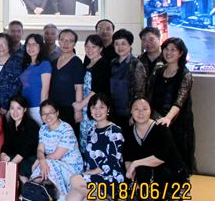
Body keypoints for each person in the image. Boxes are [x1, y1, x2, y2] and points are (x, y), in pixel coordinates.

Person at [65, 93, 125, 201]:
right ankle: (105, 198)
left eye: (101, 107)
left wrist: (90, 173)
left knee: (74, 180)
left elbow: (112, 161)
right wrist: (87, 174)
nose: (97, 111)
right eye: (94, 107)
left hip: (110, 177)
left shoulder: (115, 130)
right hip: (94, 177)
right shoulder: (91, 130)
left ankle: (103, 200)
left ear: (108, 109)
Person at [123, 98, 189, 201]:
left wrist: (135, 164)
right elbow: (127, 157)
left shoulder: (161, 129)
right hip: (146, 173)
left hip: (168, 171)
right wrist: (134, 177)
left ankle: (172, 195)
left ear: (151, 111)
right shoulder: (128, 132)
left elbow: (161, 157)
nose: (140, 113)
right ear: (131, 111)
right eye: (136, 109)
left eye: (145, 109)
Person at [147, 37, 195, 174]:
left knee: (177, 157)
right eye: (166, 49)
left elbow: (179, 101)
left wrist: (168, 118)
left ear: (181, 53)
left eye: (173, 50)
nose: (168, 53)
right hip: (157, 119)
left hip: (177, 122)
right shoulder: (159, 71)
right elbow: (151, 95)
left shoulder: (185, 74)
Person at [29, 100, 84, 201]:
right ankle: (47, 193)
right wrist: (41, 160)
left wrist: (41, 161)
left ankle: (63, 195)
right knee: (36, 176)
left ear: (57, 113)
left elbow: (56, 156)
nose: (47, 116)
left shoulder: (66, 129)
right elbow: (40, 149)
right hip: (52, 163)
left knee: (48, 164)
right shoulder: (43, 128)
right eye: (44, 114)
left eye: (51, 113)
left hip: (71, 168)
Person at [78, 34, 111, 162]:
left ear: (100, 48)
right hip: (85, 109)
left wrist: (81, 105)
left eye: (94, 47)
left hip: (96, 107)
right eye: (87, 46)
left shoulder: (103, 64)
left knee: (95, 140)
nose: (90, 50)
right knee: (84, 139)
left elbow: (96, 90)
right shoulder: (87, 62)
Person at [109, 29, 146, 129]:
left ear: (130, 45)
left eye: (123, 43)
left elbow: (140, 92)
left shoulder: (136, 64)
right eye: (116, 44)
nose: (119, 47)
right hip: (113, 112)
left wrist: (134, 114)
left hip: (129, 114)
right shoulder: (112, 63)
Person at [49, 29, 84, 128]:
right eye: (63, 40)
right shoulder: (54, 62)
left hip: (69, 108)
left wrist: (77, 111)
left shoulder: (76, 62)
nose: (66, 43)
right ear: (59, 41)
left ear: (74, 44)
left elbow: (79, 87)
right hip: (54, 108)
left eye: (70, 41)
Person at [0, 95, 40, 180]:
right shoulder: (10, 125)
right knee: (6, 159)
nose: (15, 112)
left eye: (19, 108)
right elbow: (6, 144)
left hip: (31, 159)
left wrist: (11, 164)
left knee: (18, 167)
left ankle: (27, 186)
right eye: (12, 108)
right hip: (17, 158)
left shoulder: (31, 125)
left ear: (24, 109)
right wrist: (3, 154)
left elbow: (26, 149)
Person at [19, 33, 52, 125]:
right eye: (28, 44)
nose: (31, 47)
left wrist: (43, 109)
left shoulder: (44, 64)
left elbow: (45, 88)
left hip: (37, 107)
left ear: (40, 46)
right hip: (25, 107)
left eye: (34, 44)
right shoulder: (26, 65)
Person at [0, 33, 23, 114]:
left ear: (9, 46)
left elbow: (17, 86)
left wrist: (5, 106)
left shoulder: (17, 63)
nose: (1, 47)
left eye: (4, 44)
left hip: (12, 109)